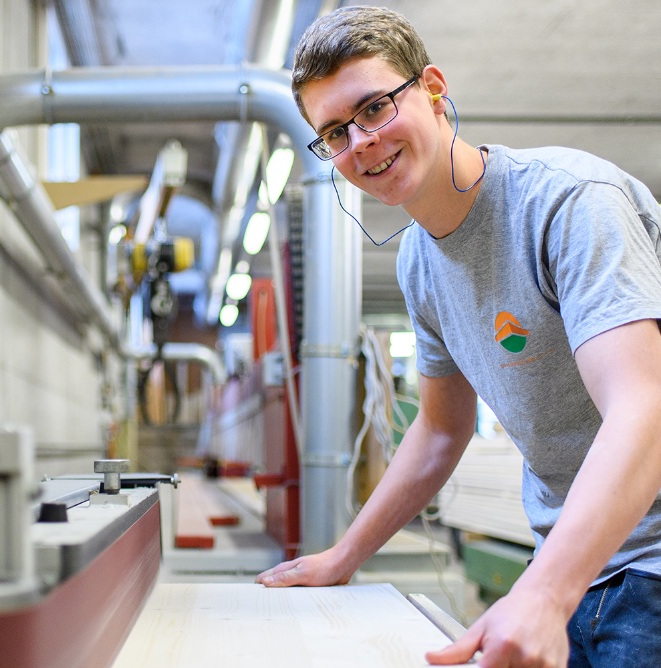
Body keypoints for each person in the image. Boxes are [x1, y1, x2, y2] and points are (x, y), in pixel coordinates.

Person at [255, 6, 661, 667]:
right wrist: (342, 555)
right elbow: (440, 430)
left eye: (374, 108)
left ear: (434, 90)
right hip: (570, 561)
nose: (359, 141)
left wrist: (546, 595)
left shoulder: (567, 202)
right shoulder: (418, 261)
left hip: (649, 569)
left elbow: (642, 405)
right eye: (333, 132)